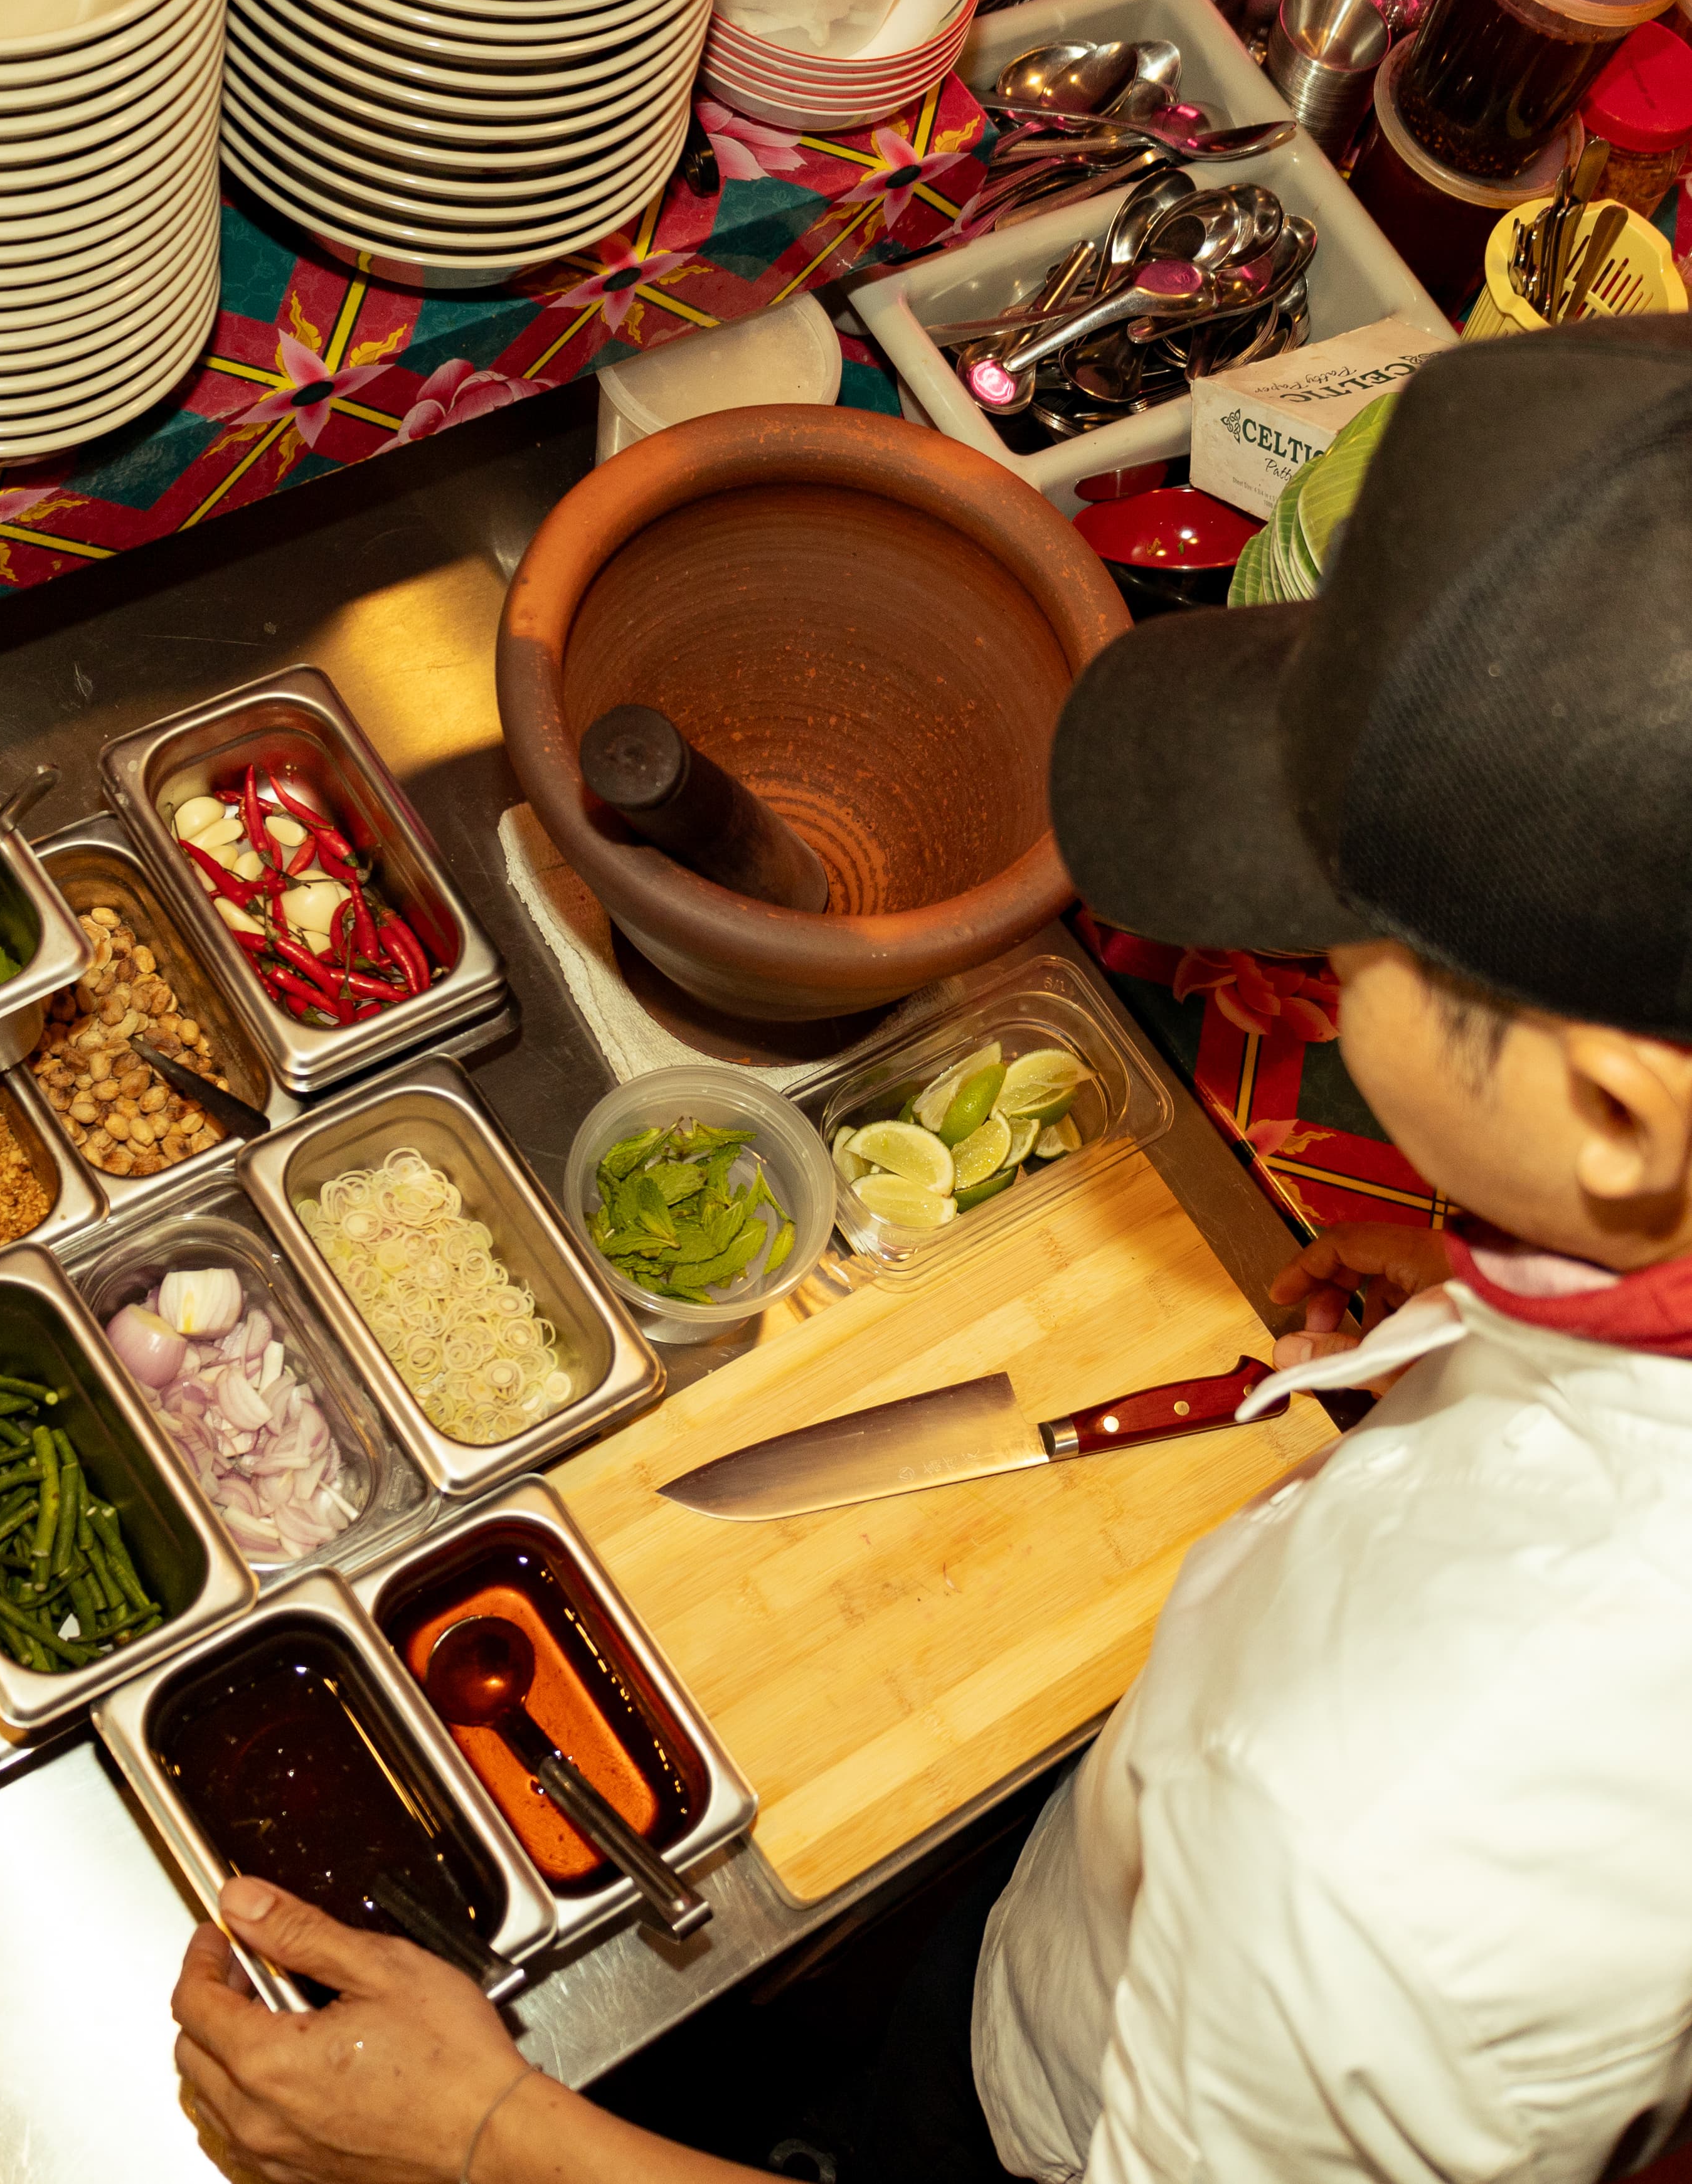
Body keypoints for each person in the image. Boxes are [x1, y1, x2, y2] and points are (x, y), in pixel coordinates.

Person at [172, 314, 1692, 2184]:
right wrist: (1465, 1353)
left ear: (1619, 1116)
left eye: (1341, 936)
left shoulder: (1375, 1824)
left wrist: (483, 2133)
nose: (1300, 974)